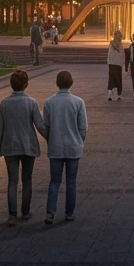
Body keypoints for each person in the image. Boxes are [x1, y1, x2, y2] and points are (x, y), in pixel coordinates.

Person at [0, 69, 48, 226]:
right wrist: (51, 138)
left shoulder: (4, 103)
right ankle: (25, 212)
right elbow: (40, 126)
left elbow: (0, 128)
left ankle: (12, 215)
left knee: (12, 181)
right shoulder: (31, 103)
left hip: (10, 146)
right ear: (26, 84)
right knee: (27, 179)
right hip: (28, 145)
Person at [43, 70, 87, 224]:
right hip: (73, 147)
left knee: (54, 181)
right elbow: (83, 128)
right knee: (71, 181)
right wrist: (79, 141)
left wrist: (50, 139)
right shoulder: (78, 102)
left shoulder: (49, 102)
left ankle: (50, 212)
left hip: (55, 146)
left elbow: (45, 126)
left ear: (57, 83)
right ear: (71, 83)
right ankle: (69, 212)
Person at [107, 30, 125, 101]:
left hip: (112, 64)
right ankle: (118, 94)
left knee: (111, 78)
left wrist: (109, 62)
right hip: (117, 64)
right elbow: (122, 55)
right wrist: (122, 63)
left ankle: (110, 94)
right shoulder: (120, 45)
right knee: (118, 79)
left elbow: (109, 54)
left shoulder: (111, 44)